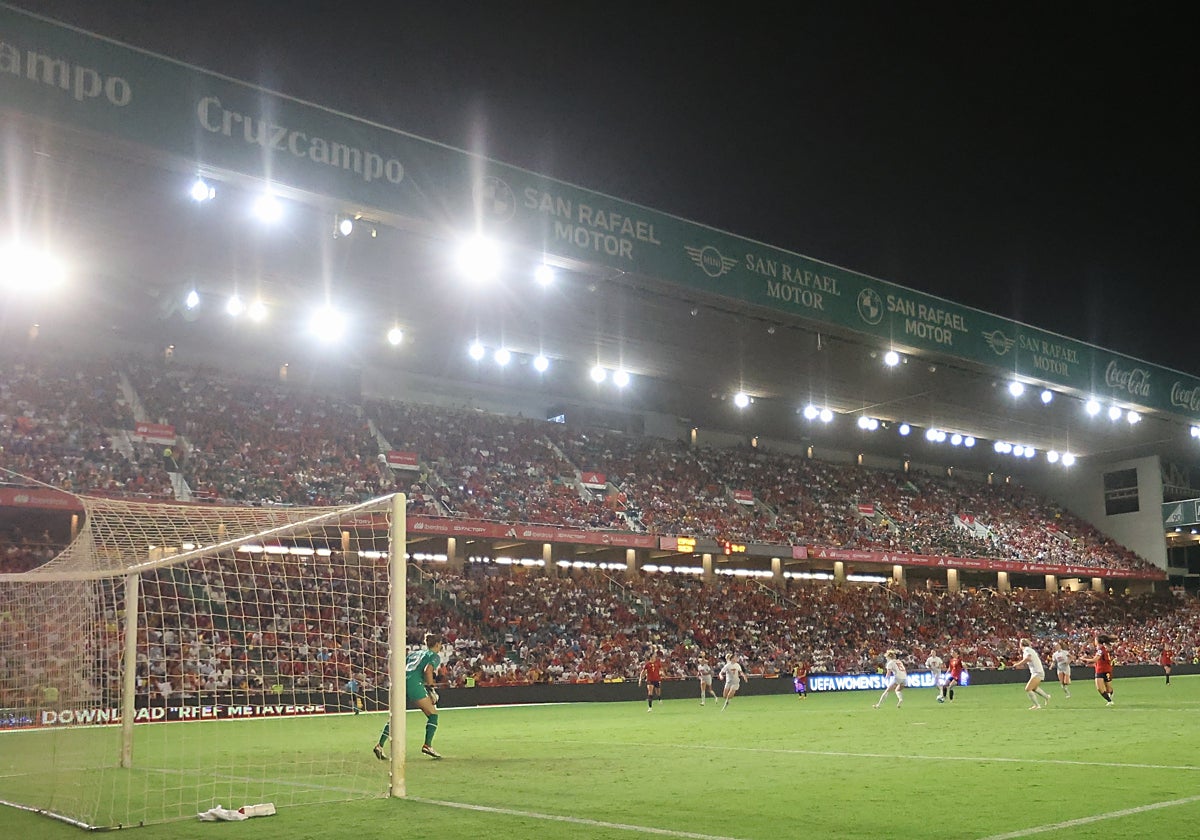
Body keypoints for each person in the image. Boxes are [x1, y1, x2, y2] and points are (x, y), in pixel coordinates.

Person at [373, 632, 444, 760]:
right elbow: (428, 670)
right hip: (413, 683)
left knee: (395, 717)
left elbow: (401, 666)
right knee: (433, 714)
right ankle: (427, 745)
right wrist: (431, 689)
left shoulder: (414, 653)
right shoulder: (433, 656)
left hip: (400, 681)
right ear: (438, 644)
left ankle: (379, 745)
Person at [1013, 638, 1052, 710]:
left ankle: (1037, 705)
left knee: (1028, 689)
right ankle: (1047, 697)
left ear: (1021, 644)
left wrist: (1018, 664)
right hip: (1036, 671)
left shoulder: (1027, 650)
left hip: (1037, 672)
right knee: (1034, 688)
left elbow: (1028, 658)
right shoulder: (1029, 650)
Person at [1084, 632, 1115, 706]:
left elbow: (1095, 659)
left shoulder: (1101, 650)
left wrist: (1084, 659)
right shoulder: (1103, 649)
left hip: (1102, 670)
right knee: (1103, 688)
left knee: (1103, 688)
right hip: (1104, 670)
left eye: (1095, 640)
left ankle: (1110, 700)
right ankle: (1110, 700)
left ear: (1097, 641)